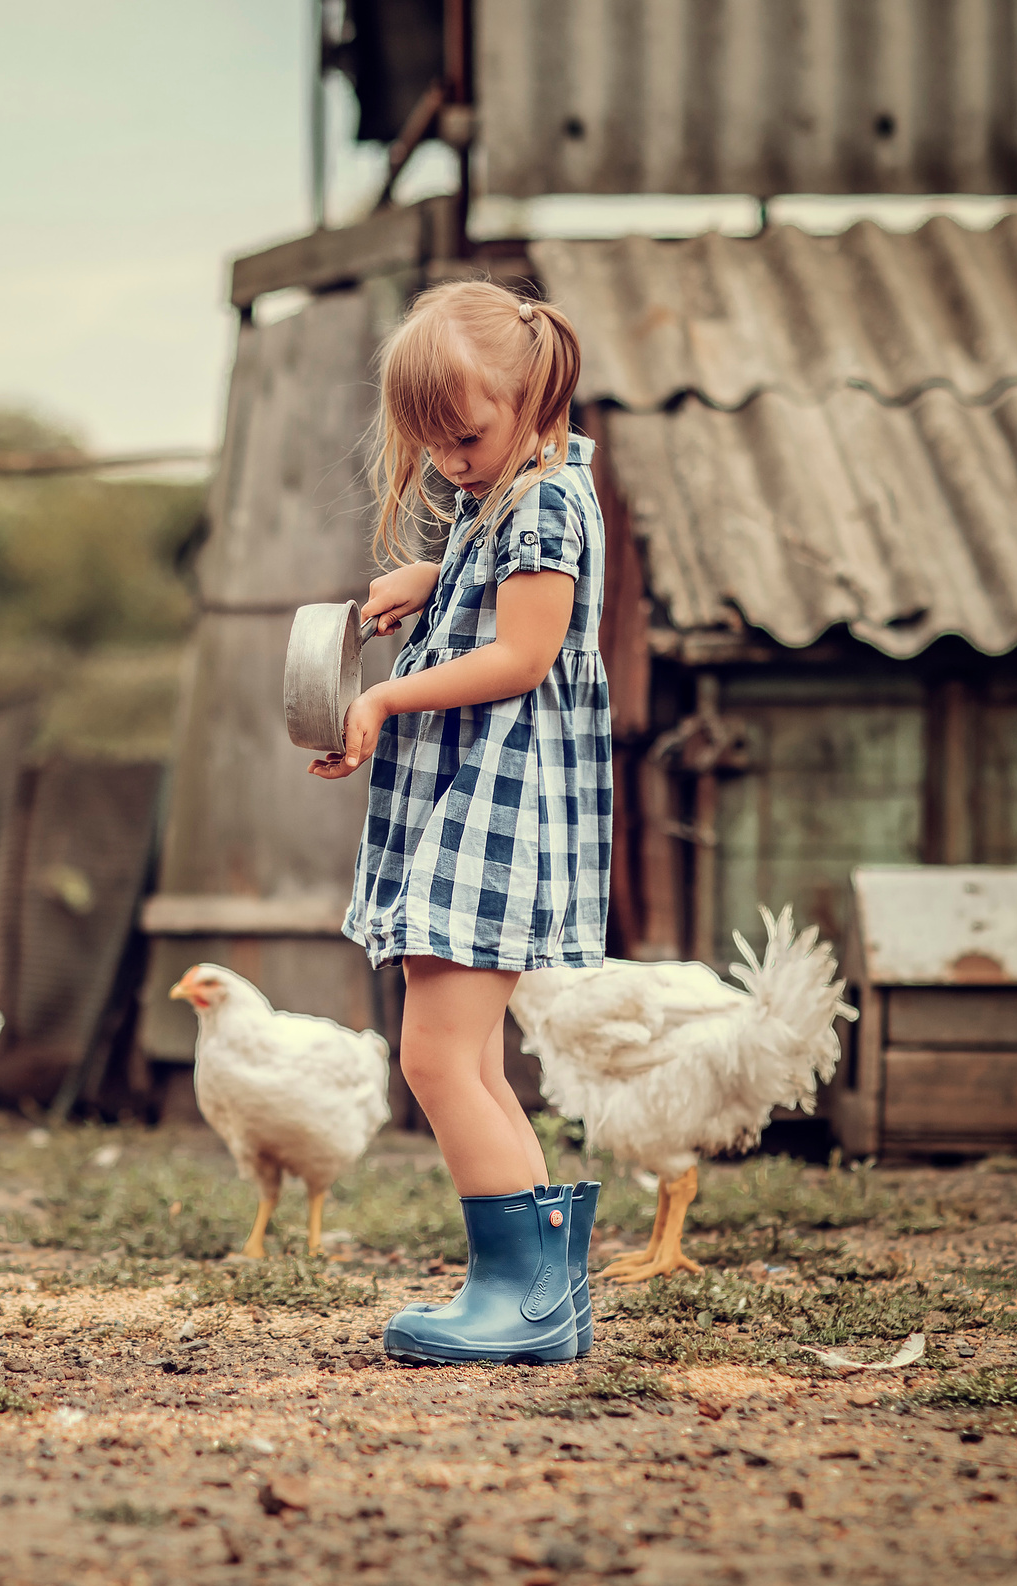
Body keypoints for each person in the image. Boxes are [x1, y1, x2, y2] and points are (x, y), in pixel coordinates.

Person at [308, 280, 608, 1364]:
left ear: (533, 396)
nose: (449, 461)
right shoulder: (528, 491)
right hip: (487, 806)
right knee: (466, 1061)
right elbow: (511, 587)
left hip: (498, 806)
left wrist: (382, 696)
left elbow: (526, 652)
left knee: (435, 1059)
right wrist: (434, 575)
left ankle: (518, 1298)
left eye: (466, 436)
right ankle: (538, 1301)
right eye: (430, 445)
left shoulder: (540, 504)